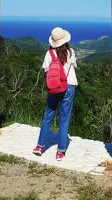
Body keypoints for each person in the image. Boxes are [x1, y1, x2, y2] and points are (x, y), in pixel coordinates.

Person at [33, 27, 77, 161]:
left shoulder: (49, 54)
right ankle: (60, 151)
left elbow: (46, 71)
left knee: (48, 116)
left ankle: (40, 146)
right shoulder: (70, 52)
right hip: (69, 86)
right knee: (64, 119)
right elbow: (74, 66)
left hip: (54, 88)